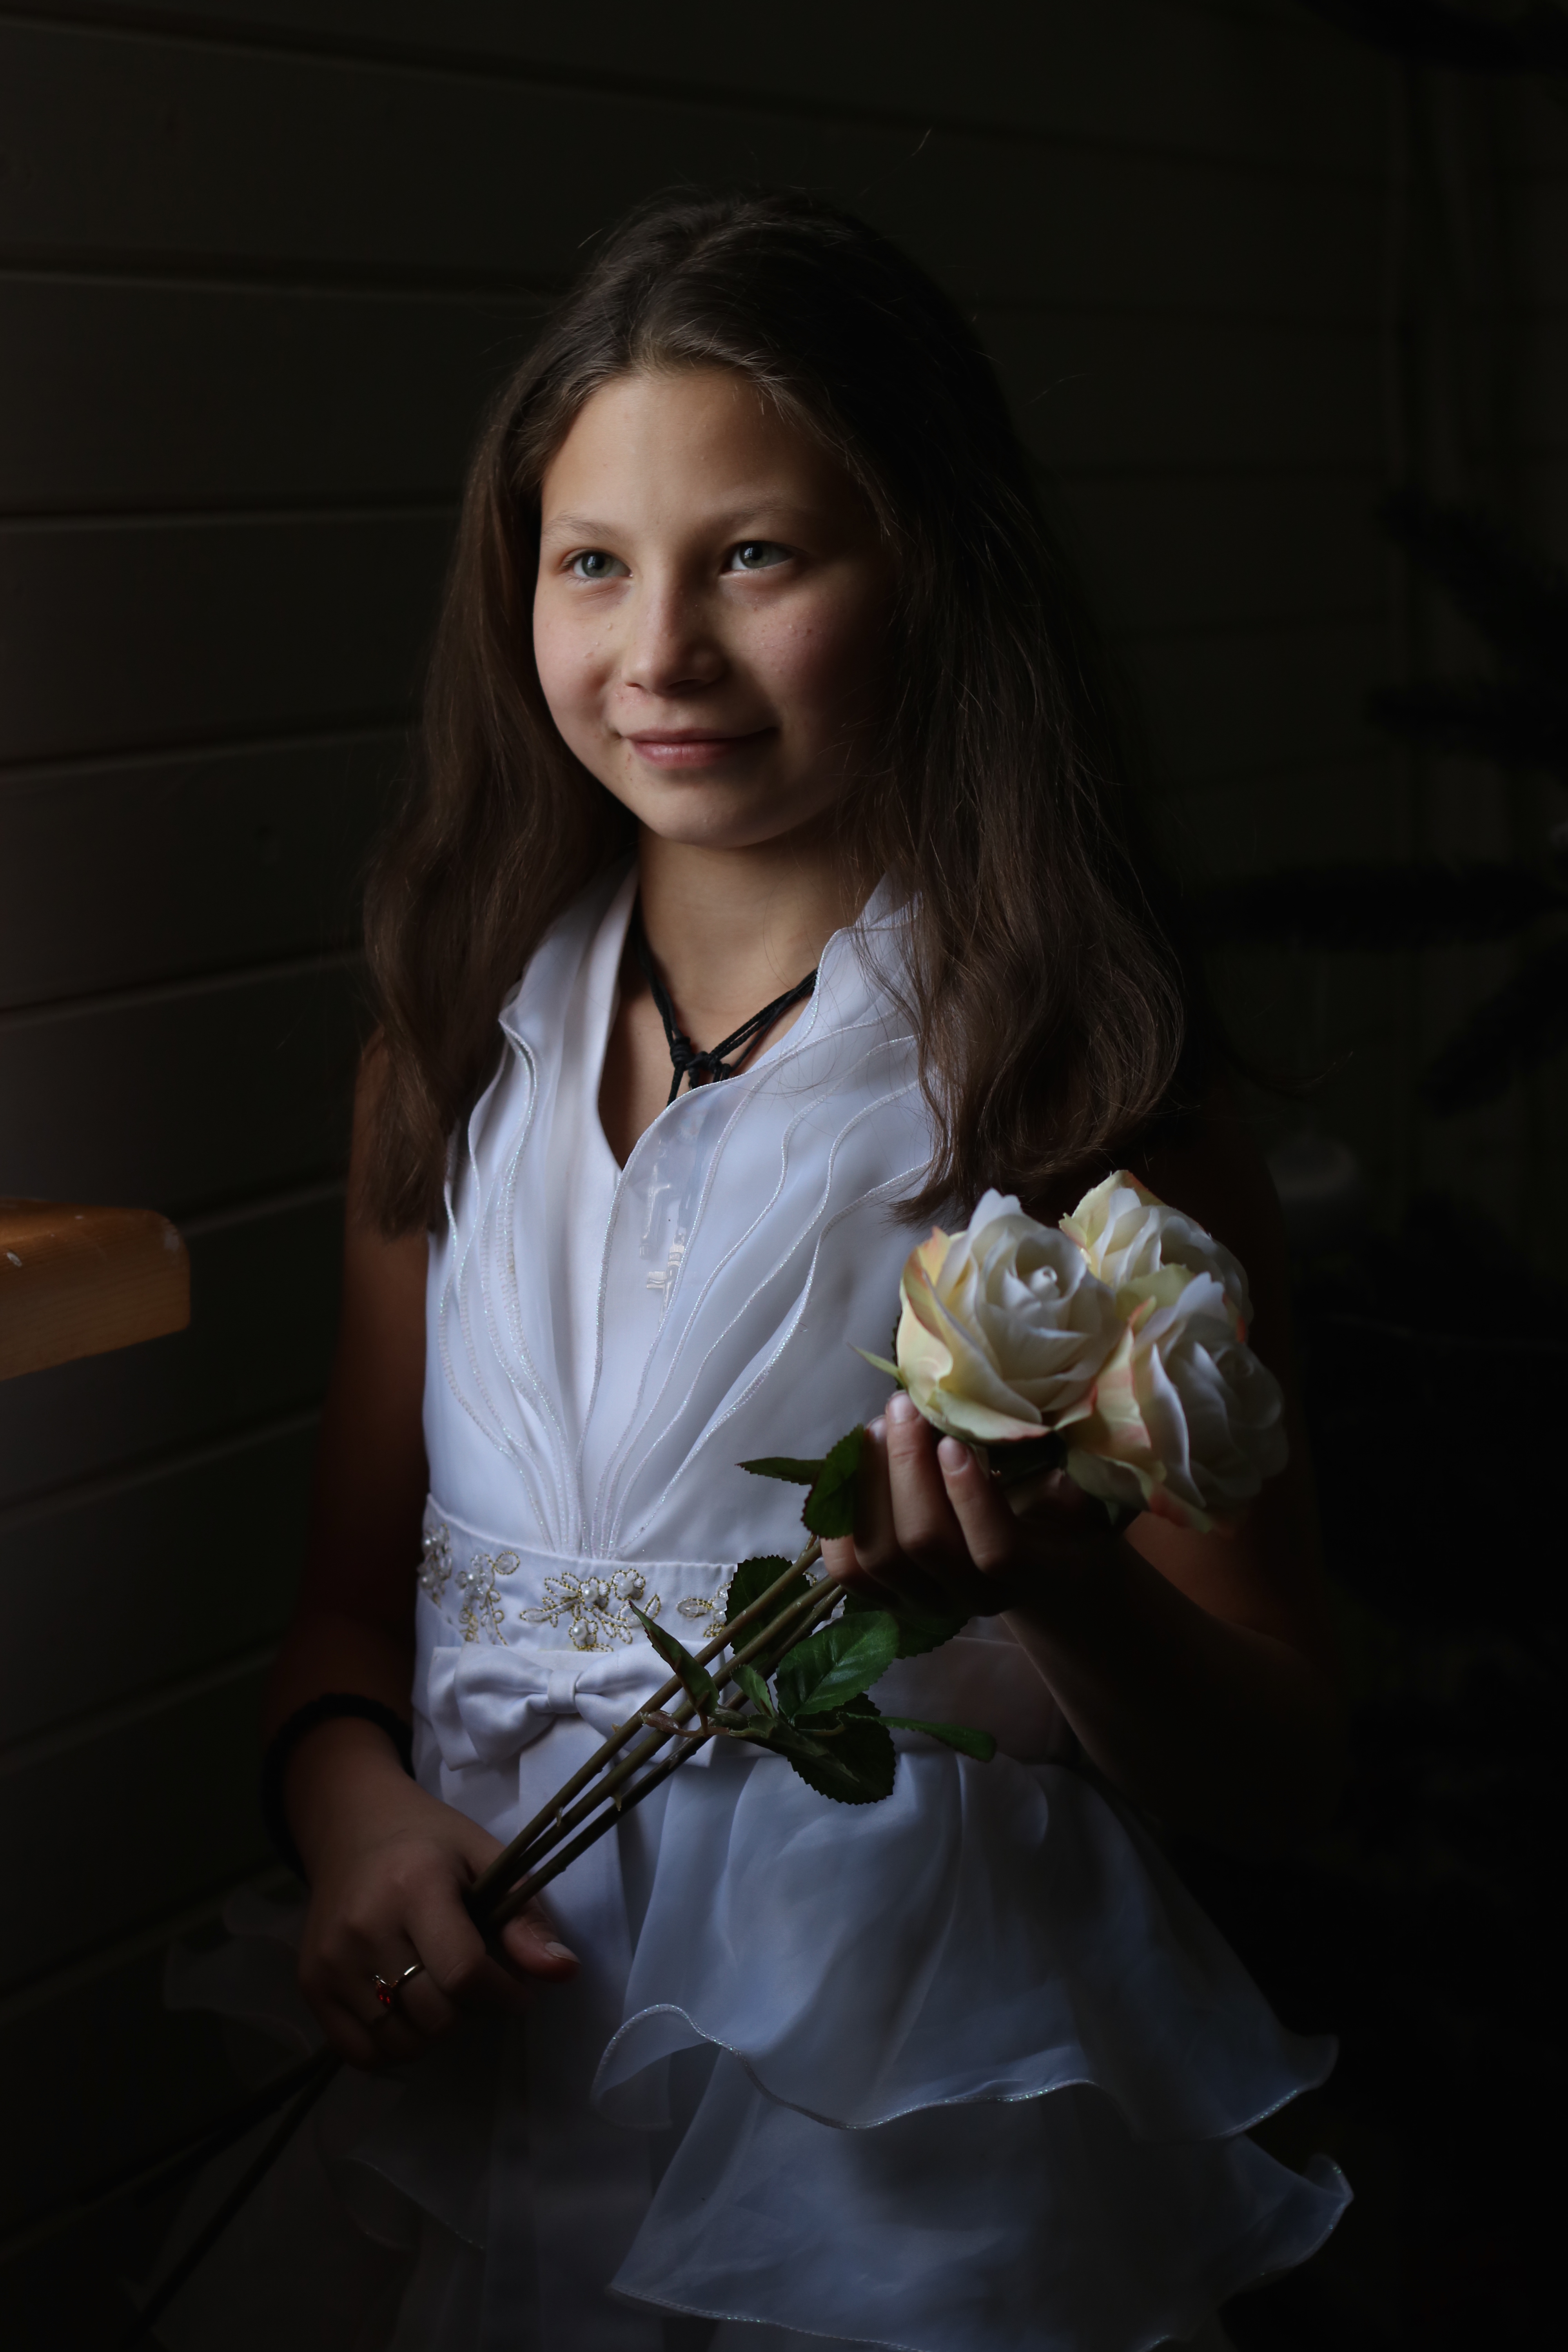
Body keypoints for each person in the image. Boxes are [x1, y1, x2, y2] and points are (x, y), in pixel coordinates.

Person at [156, 189, 1349, 2352]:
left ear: (936, 573)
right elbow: (344, 1607)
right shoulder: (448, 1060)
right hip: (486, 2076)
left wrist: (1055, 1589)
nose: (661, 654)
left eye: (759, 558)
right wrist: (357, 1825)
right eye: (593, 563)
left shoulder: (1076, 1101)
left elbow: (1286, 1765)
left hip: (892, 2138)